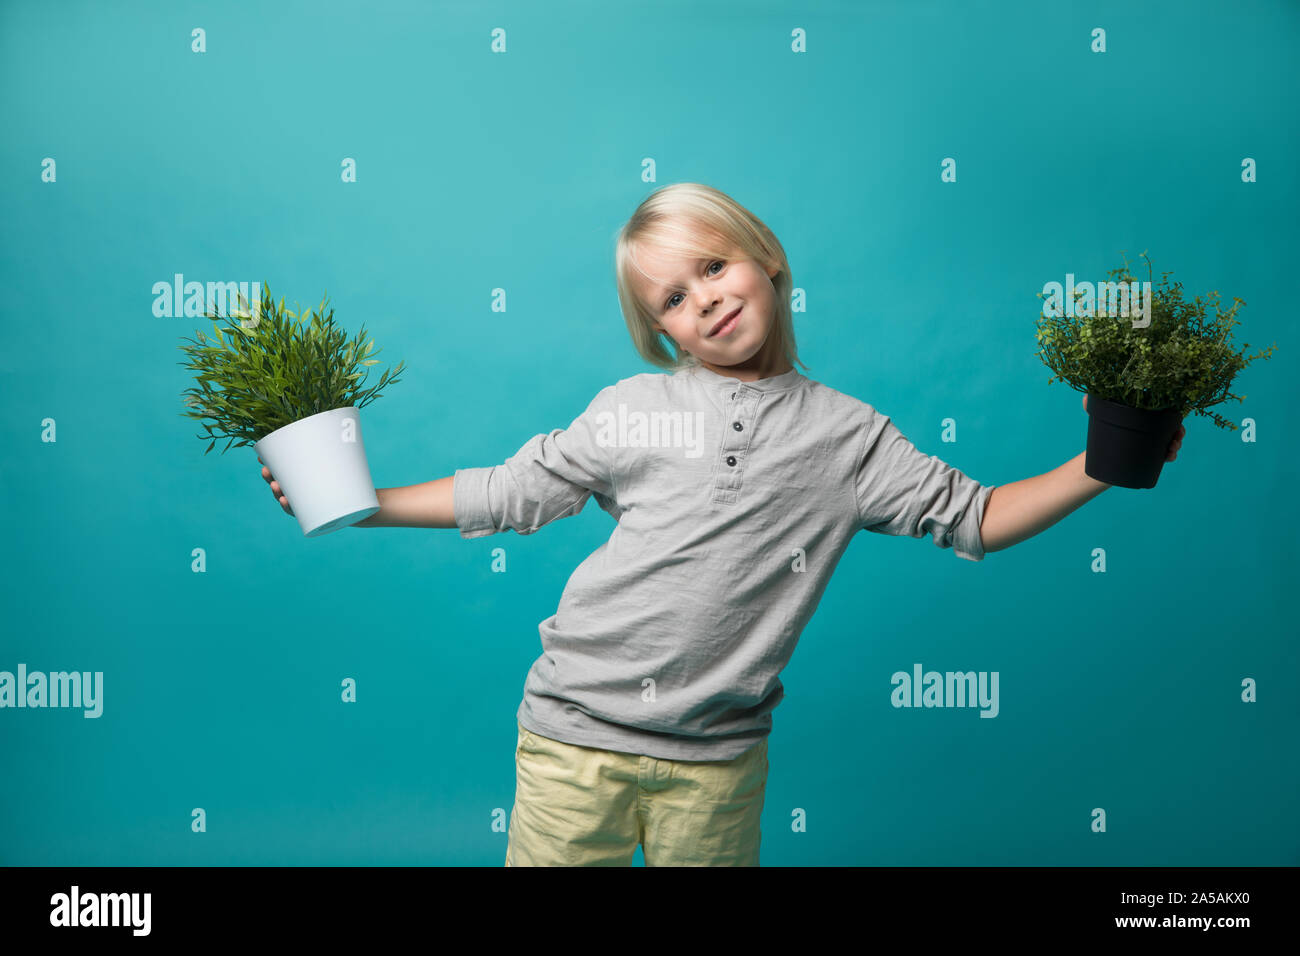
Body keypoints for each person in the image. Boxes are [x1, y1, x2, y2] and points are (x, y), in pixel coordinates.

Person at [258, 183, 1185, 866]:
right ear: (663, 334)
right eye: (672, 298)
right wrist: (361, 505)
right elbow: (510, 491)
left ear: (766, 260)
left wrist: (1099, 466)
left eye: (713, 265)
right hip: (574, 734)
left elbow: (975, 516)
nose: (702, 296)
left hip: (718, 760)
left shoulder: (850, 437)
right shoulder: (631, 407)